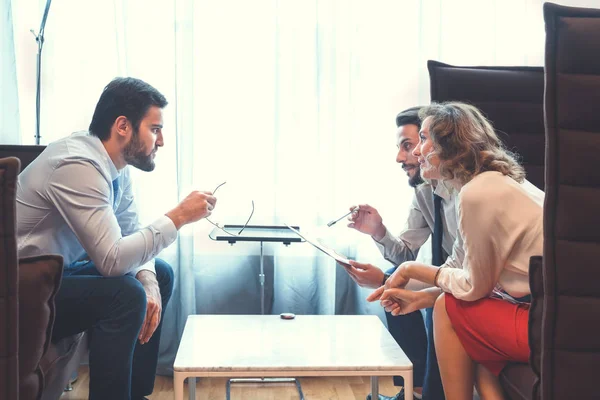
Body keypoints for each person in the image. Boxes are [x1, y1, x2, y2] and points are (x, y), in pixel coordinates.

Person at [16, 77, 217, 400]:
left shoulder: (115, 166)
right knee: (123, 295)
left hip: (53, 275)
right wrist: (179, 216)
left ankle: (135, 394)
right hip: (18, 289)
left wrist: (149, 280)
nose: (161, 141)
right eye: (155, 129)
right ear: (123, 126)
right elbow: (111, 261)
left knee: (158, 274)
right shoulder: (78, 164)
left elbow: (131, 232)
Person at [368, 102, 543, 400]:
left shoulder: (478, 194)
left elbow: (475, 286)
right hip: (548, 314)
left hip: (547, 322)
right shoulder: (490, 183)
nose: (417, 152)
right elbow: (461, 266)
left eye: (423, 140)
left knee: (447, 310)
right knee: (459, 323)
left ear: (450, 146)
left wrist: (411, 270)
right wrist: (421, 298)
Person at [343, 106, 456, 400]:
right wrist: (377, 230)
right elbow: (406, 253)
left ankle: (430, 393)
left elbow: (468, 266)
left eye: (408, 146)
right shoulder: (424, 192)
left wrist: (384, 278)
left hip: (469, 277)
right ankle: (414, 388)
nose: (400, 157)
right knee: (394, 279)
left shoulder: (462, 191)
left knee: (396, 283)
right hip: (453, 273)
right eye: (401, 147)